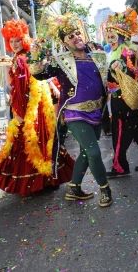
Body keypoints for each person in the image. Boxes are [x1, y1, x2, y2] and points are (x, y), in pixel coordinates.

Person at [31, 14, 113, 207]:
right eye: (70, 36)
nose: (76, 37)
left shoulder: (98, 57)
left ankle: (74, 187)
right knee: (93, 152)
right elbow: (39, 75)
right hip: (74, 114)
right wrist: (36, 56)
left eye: (77, 33)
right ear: (64, 43)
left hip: (97, 112)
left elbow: (109, 78)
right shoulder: (60, 61)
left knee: (86, 152)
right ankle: (105, 189)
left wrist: (120, 67)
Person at [0, 19, 74, 196]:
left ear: (24, 40)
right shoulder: (19, 57)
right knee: (40, 140)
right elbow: (13, 85)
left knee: (32, 140)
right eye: (11, 41)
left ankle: (39, 180)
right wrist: (7, 68)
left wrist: (19, 113)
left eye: (17, 40)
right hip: (33, 104)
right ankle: (46, 178)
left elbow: (22, 87)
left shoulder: (22, 58)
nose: (14, 44)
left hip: (30, 106)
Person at [104, 9, 138, 178]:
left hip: (124, 99)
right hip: (126, 99)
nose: (110, 39)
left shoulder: (126, 52)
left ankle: (120, 166)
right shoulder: (117, 52)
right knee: (137, 130)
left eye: (113, 36)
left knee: (120, 131)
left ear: (121, 36)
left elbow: (129, 75)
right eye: (108, 36)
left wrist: (111, 71)